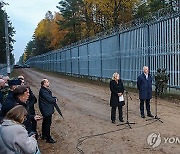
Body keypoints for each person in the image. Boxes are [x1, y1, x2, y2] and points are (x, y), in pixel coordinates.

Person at [39, 79, 57, 143]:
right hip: (46, 110)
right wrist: (54, 100)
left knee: (45, 123)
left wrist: (53, 98)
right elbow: (49, 99)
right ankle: (48, 138)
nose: (48, 83)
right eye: (47, 82)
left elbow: (49, 97)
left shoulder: (44, 90)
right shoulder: (43, 91)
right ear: (44, 83)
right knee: (47, 124)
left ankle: (44, 135)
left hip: (46, 109)